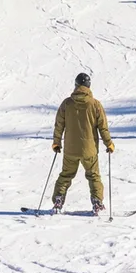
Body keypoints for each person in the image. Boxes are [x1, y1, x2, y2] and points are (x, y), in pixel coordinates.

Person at [50, 73, 114, 214]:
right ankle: (97, 202)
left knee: (66, 175)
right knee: (93, 176)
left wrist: (56, 143)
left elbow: (59, 125)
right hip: (89, 150)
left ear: (76, 85)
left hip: (70, 150)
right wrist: (108, 143)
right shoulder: (95, 104)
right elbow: (102, 127)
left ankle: (58, 200)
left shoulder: (67, 103)